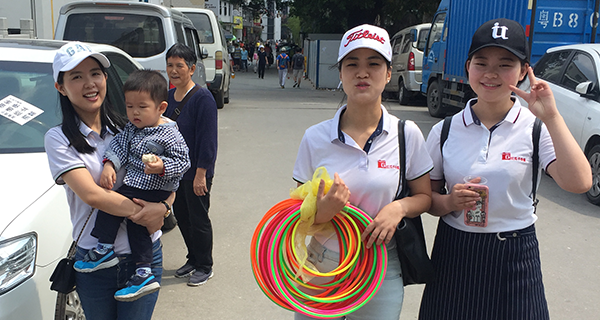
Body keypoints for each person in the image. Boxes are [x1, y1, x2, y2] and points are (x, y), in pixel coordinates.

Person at [418, 19, 593, 320]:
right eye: (481, 62)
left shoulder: (535, 128)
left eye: (505, 64)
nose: (490, 73)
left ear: (525, 71)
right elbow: (426, 199)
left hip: (515, 255)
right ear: (468, 66)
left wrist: (551, 116)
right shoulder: (445, 131)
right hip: (454, 253)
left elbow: (579, 182)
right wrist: (448, 202)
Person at [293, 24, 433, 320]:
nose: (362, 72)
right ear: (341, 73)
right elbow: (295, 215)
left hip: (381, 266)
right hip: (323, 263)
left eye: (373, 63)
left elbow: (425, 197)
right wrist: (324, 211)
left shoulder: (406, 134)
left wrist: (399, 207)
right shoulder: (315, 138)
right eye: (352, 64)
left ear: (387, 73)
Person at [45, 41, 172, 319]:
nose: (89, 83)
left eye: (95, 73)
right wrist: (145, 212)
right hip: (96, 262)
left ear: (105, 78)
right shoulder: (59, 139)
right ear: (61, 87)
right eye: (76, 77)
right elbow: (93, 196)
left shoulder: (132, 126)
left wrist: (164, 209)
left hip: (144, 255)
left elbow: (167, 175)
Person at [72, 70, 190, 301]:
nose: (134, 113)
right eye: (129, 106)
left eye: (142, 107)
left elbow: (184, 162)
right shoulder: (129, 129)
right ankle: (143, 270)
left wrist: (162, 165)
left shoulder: (169, 134)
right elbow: (118, 147)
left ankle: (104, 247)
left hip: (155, 187)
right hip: (138, 185)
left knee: (111, 205)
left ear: (161, 107)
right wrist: (109, 166)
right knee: (138, 227)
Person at [164, 43, 218, 287]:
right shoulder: (168, 96)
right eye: (170, 65)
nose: (174, 71)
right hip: (176, 172)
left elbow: (208, 141)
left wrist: (201, 175)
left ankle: (205, 265)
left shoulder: (203, 98)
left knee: (199, 218)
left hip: (197, 171)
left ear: (192, 68)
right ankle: (193, 258)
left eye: (179, 66)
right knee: (182, 217)